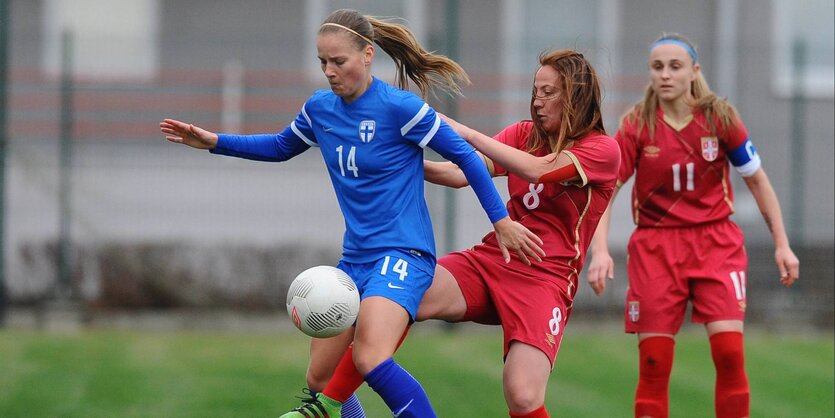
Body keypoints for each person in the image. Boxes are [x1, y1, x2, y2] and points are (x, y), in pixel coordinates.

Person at [160, 9, 544, 418]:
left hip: (404, 256)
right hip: (355, 260)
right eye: (322, 62)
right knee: (320, 379)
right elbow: (278, 146)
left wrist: (500, 221)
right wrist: (214, 141)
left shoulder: (400, 109)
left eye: (338, 61)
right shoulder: (320, 110)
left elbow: (466, 156)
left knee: (371, 357)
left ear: (366, 55)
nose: (329, 71)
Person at [294, 49, 621, 418]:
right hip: (492, 260)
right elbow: (458, 172)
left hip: (545, 278)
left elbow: (537, 170)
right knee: (400, 293)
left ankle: (329, 403)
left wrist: (459, 130)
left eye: (549, 92)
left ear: (576, 95)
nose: (537, 101)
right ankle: (331, 406)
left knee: (523, 395)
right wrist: (396, 158)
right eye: (535, 91)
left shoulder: (603, 149)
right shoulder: (524, 134)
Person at [586, 33, 800, 418]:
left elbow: (757, 180)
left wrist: (782, 243)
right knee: (653, 363)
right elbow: (607, 192)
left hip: (715, 243)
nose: (665, 75)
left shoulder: (720, 117)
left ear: (694, 71)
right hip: (655, 248)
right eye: (657, 67)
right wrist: (599, 250)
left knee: (730, 353)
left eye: (674, 66)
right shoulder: (636, 125)